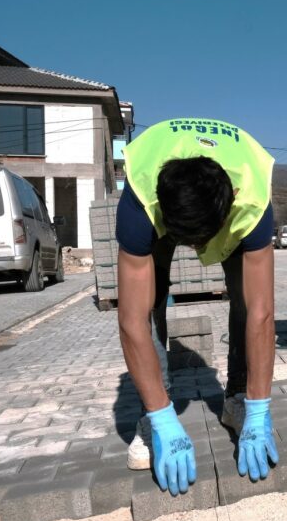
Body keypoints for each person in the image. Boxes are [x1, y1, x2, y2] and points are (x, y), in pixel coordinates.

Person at [117, 118, 278, 497]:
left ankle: (238, 399)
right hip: (159, 197)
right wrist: (161, 418)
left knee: (244, 296)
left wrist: (259, 407)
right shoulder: (140, 200)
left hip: (232, 195)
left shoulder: (253, 198)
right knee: (151, 299)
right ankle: (155, 414)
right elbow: (131, 320)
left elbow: (262, 312)